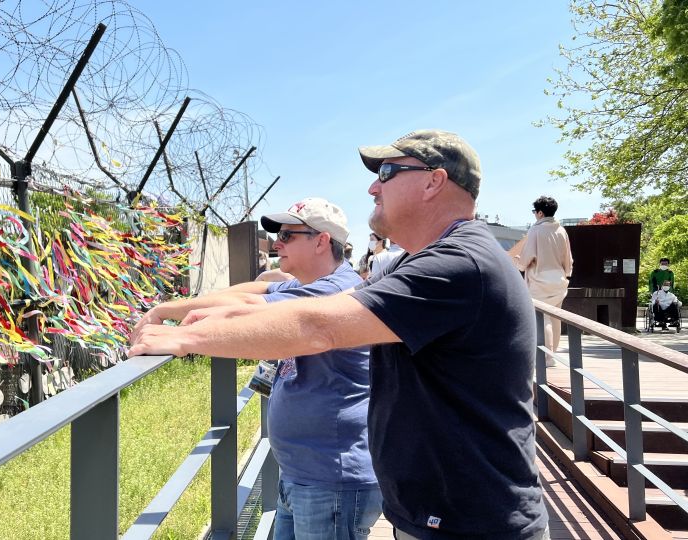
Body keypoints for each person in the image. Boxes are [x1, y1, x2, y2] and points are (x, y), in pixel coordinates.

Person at [131, 130, 548, 539]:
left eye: (386, 172)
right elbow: (310, 306)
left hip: (474, 521)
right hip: (438, 512)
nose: (372, 187)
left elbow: (317, 327)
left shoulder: (458, 263)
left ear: (433, 181)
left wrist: (186, 340)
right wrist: (205, 320)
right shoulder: (420, 261)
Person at [134, 197, 380, 539]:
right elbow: (255, 291)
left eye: (288, 235)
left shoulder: (333, 293)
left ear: (322, 240)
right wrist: (166, 309)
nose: (277, 242)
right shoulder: (308, 284)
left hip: (331, 482)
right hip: (303, 473)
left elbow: (252, 314)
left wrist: (183, 338)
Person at [510, 196, 573, 367]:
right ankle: (553, 354)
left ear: (539, 212)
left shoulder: (535, 231)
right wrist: (566, 273)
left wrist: (518, 262)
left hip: (540, 280)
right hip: (559, 280)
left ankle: (547, 358)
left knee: (542, 318)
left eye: (534, 212)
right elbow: (568, 258)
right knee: (555, 318)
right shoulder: (561, 231)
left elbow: (526, 259)